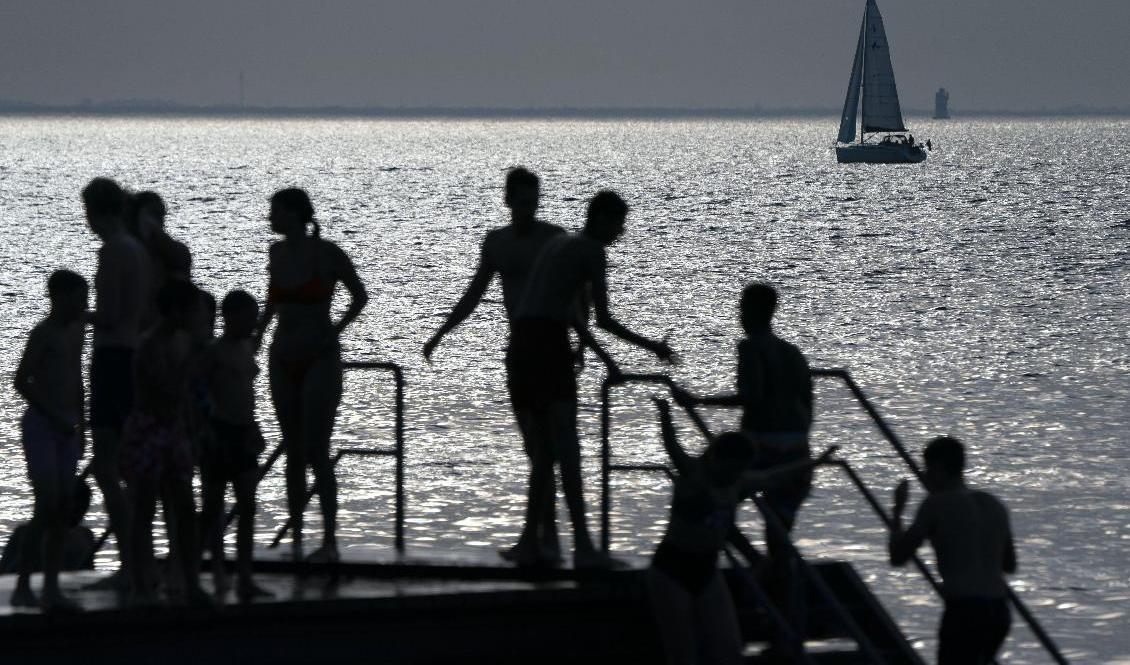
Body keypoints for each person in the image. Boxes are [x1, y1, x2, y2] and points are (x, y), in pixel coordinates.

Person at [424, 167, 581, 564]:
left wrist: (580, 340)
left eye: (533, 201)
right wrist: (442, 332)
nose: (528, 208)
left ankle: (549, 537)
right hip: (520, 349)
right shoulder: (497, 243)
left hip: (552, 345)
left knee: (552, 447)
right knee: (534, 447)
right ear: (508, 200)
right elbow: (474, 293)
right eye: (521, 201)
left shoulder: (554, 239)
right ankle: (544, 534)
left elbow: (577, 290)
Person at [510, 190, 672, 568]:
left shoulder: (558, 243)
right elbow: (603, 319)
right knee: (566, 448)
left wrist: (607, 360)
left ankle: (529, 542)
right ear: (600, 218)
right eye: (618, 224)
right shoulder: (592, 251)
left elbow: (570, 315)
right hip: (546, 345)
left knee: (544, 452)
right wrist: (653, 347)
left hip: (521, 344)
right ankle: (583, 548)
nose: (620, 233)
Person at [648, 398, 836, 665]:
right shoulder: (694, 475)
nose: (733, 476)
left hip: (707, 569)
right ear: (716, 459)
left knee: (728, 650)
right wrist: (665, 415)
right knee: (682, 653)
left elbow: (774, 476)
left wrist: (815, 463)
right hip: (671, 568)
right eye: (730, 469)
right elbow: (672, 447)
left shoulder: (738, 482)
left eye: (739, 470)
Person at [259, 187, 368, 563]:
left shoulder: (328, 253)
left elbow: (359, 296)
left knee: (316, 450)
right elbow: (272, 299)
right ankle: (297, 538)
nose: (271, 217)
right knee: (292, 450)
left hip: (319, 357)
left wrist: (335, 331)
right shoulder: (275, 252)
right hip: (281, 356)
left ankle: (330, 540)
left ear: (295, 214)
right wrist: (257, 335)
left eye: (276, 211)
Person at [119, 280, 210, 606]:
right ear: (175, 311)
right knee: (144, 507)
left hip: (174, 428)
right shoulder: (150, 345)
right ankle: (140, 584)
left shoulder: (182, 341)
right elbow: (166, 389)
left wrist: (193, 430)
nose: (198, 316)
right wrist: (193, 359)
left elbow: (184, 396)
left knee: (185, 508)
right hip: (148, 429)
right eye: (193, 310)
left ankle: (190, 582)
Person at [889, 436, 1016, 665]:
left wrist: (898, 510)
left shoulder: (936, 504)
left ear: (938, 467)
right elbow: (1009, 564)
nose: (924, 475)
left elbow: (898, 556)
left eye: (927, 469)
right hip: (998, 610)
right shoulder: (993, 503)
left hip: (964, 609)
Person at [10, 270, 88, 611]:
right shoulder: (43, 333)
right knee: (46, 506)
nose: (83, 306)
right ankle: (23, 586)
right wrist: (53, 415)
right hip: (42, 426)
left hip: (69, 427)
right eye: (78, 299)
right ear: (59, 297)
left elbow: (77, 377)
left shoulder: (77, 330)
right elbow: (21, 380)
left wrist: (83, 425)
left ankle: (52, 588)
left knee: (63, 508)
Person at [84, 177, 151, 578]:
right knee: (129, 465)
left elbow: (110, 316)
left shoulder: (113, 251)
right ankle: (139, 558)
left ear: (96, 212)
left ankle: (130, 559)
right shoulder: (137, 249)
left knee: (108, 467)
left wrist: (77, 315)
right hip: (133, 355)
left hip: (112, 357)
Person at [199, 290, 270, 600]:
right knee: (214, 507)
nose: (254, 324)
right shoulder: (213, 352)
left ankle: (244, 576)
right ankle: (218, 571)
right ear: (230, 317)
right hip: (219, 431)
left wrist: (254, 426)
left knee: (247, 506)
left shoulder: (247, 348)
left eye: (256, 318)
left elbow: (247, 393)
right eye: (249, 318)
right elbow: (200, 391)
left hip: (243, 430)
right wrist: (205, 429)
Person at [0, 480, 96, 576]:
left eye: (82, 509)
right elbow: (5, 572)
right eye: (74, 510)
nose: (77, 515)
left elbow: (89, 573)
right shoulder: (25, 534)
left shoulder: (85, 536)